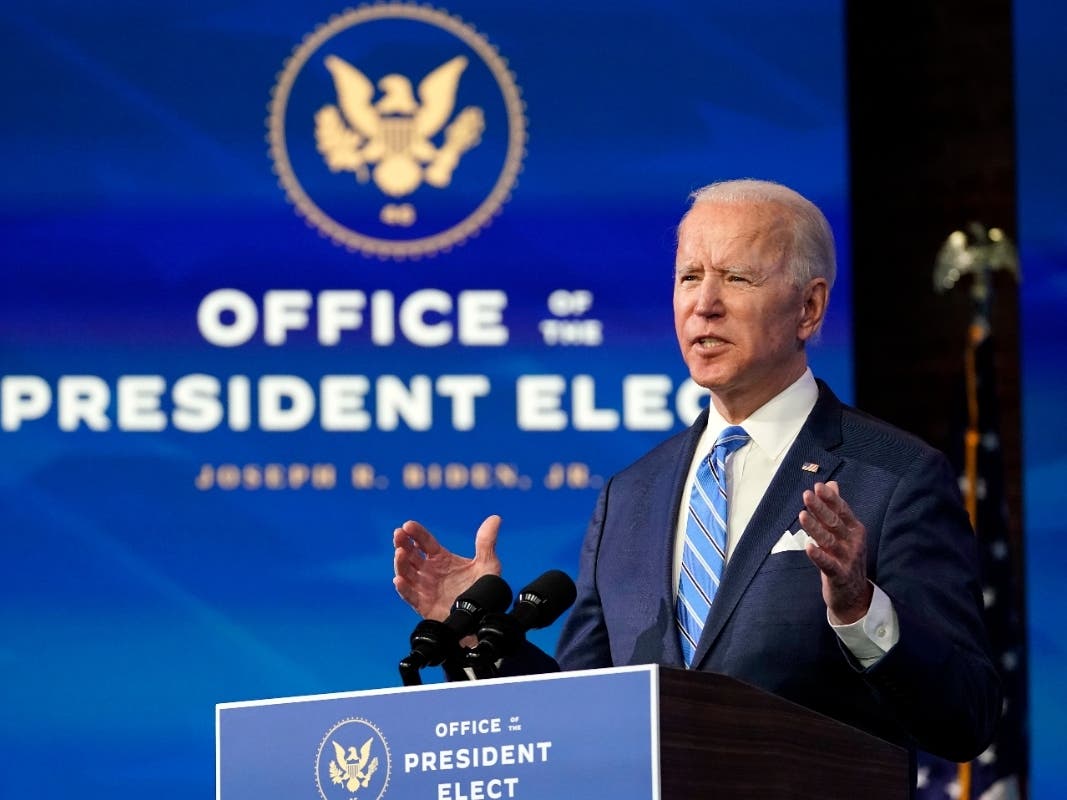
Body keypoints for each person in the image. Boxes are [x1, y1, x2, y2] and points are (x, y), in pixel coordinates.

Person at [392, 179, 1000, 764]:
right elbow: (578, 710)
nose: (705, 304)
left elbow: (967, 714)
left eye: (737, 277)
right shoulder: (629, 496)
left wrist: (860, 609)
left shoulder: (894, 477)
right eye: (690, 277)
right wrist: (472, 633)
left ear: (809, 309)